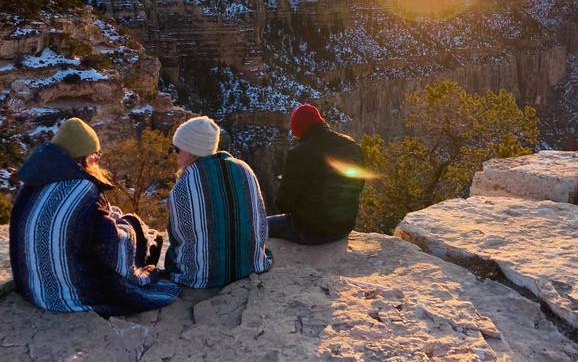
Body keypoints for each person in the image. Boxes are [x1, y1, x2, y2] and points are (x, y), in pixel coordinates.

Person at [10, 118, 179, 315]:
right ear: (86, 158)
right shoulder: (83, 191)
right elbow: (111, 247)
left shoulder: (30, 185)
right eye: (96, 155)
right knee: (138, 230)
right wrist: (134, 229)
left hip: (33, 288)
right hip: (73, 293)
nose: (98, 160)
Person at [165, 116, 272, 288]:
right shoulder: (244, 169)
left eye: (177, 149)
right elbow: (260, 223)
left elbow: (178, 238)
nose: (174, 153)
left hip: (201, 278)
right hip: (251, 266)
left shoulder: (183, 185)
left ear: (192, 151)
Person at [267, 104, 365, 244]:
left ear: (299, 130)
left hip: (310, 231)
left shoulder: (298, 154)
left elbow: (283, 205)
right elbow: (359, 185)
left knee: (259, 227)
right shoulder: (352, 145)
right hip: (343, 228)